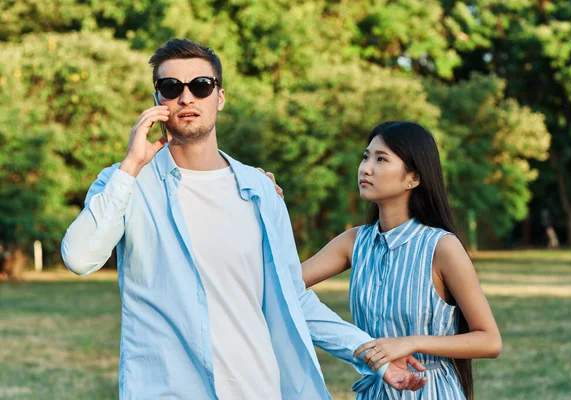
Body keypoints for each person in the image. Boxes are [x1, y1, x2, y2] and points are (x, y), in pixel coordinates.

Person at [60, 39, 427, 400]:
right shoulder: (125, 183)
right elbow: (79, 258)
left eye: (200, 86)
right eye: (171, 87)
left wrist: (373, 355)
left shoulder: (259, 190)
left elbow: (292, 298)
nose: (186, 98)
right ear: (157, 100)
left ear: (219, 97)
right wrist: (130, 166)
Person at [275, 121, 502, 399]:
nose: (366, 168)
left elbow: (489, 340)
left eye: (381, 159)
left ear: (413, 178)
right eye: (365, 157)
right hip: (376, 390)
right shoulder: (354, 242)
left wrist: (410, 343)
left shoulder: (441, 247)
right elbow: (281, 284)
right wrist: (269, 208)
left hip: (429, 392)